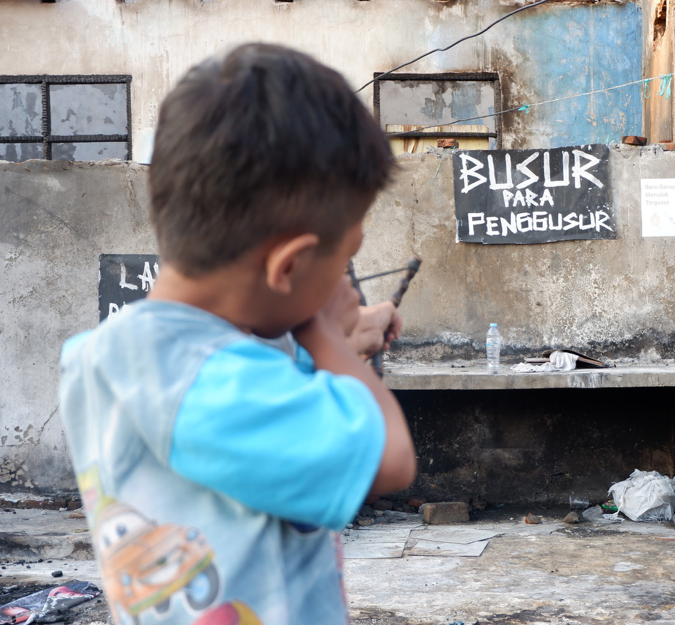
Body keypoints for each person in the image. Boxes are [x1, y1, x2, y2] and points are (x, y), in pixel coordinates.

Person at [58, 43, 415, 625]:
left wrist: (340, 341)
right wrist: (323, 330)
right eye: (345, 262)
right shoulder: (206, 379)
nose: (344, 282)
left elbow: (254, 386)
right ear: (290, 267)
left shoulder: (110, 355)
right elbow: (389, 458)